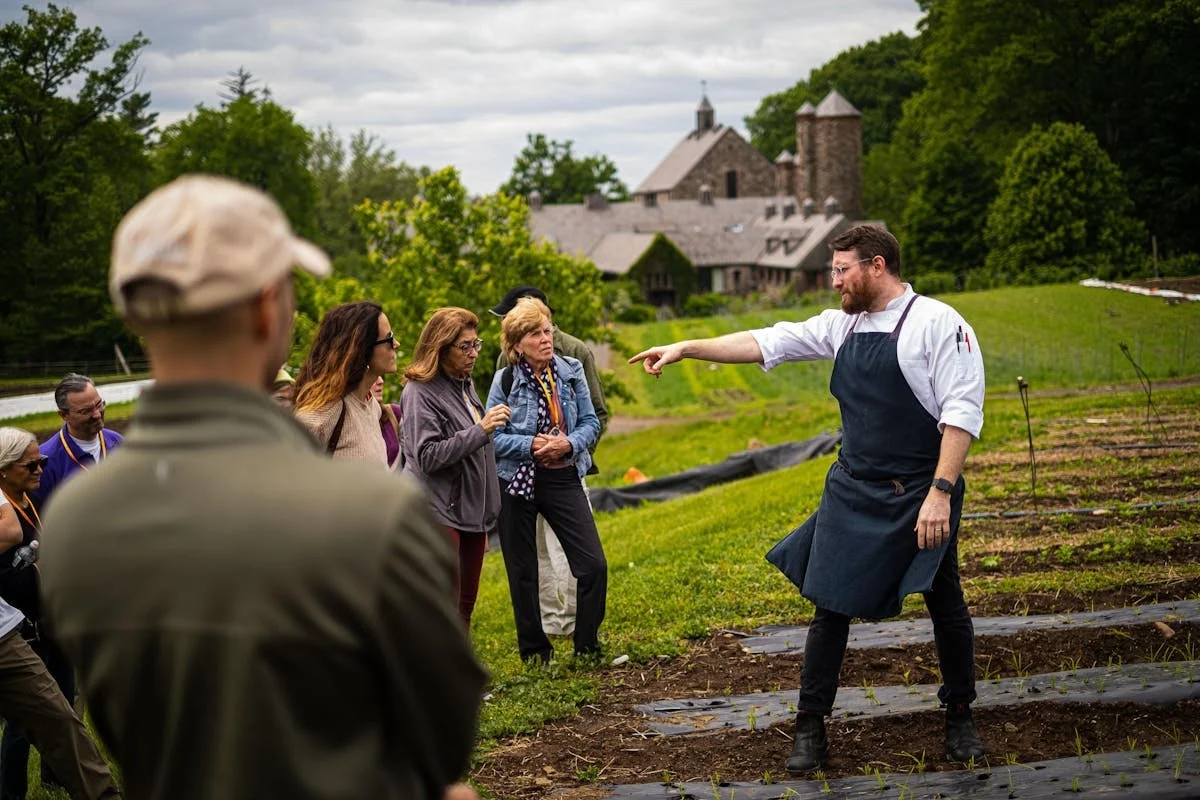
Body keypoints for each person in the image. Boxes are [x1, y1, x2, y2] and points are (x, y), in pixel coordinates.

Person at [38, 174, 485, 800]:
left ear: (136, 313)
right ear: (264, 307)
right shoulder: (367, 510)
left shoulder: (74, 520)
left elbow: (124, 721)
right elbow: (446, 732)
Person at [630, 224, 987, 771]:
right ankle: (810, 725)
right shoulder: (841, 327)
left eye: (841, 270)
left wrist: (940, 493)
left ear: (876, 265)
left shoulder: (938, 324)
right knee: (830, 605)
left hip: (919, 490)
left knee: (944, 600)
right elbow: (764, 341)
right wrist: (686, 348)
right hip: (853, 488)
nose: (834, 282)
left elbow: (960, 412)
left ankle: (960, 713)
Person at [0, 428, 119, 800]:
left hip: (23, 627)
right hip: (26, 625)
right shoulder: (8, 506)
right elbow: (10, 533)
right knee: (28, 725)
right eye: (31, 464)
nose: (40, 469)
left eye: (43, 462)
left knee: (61, 716)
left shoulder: (22, 499)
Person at [486, 298, 606, 663]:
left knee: (593, 565)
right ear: (517, 343)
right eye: (535, 333)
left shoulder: (570, 371)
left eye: (547, 330)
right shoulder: (504, 379)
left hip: (563, 476)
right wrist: (530, 444)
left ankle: (586, 645)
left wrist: (567, 443)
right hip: (517, 481)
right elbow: (491, 436)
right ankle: (535, 652)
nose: (546, 338)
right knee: (523, 570)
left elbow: (591, 422)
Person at [401, 308, 508, 628]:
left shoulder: (464, 383)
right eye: (465, 346)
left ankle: (454, 673)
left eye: (477, 344)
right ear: (440, 347)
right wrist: (482, 429)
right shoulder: (420, 392)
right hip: (439, 512)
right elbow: (428, 456)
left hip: (471, 513)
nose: (474, 353)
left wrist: (485, 510)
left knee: (464, 606)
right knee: (442, 606)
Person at [293, 300, 401, 467]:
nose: (396, 344)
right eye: (389, 338)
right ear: (362, 349)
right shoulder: (323, 414)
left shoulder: (371, 406)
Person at [34, 374, 123, 505]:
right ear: (64, 415)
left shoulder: (118, 442)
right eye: (86, 411)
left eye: (99, 405)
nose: (97, 414)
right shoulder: (45, 461)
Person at [370, 377, 404, 471]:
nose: (380, 381)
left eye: (380, 375)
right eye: (373, 375)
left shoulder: (394, 413)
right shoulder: (348, 420)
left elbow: (412, 457)